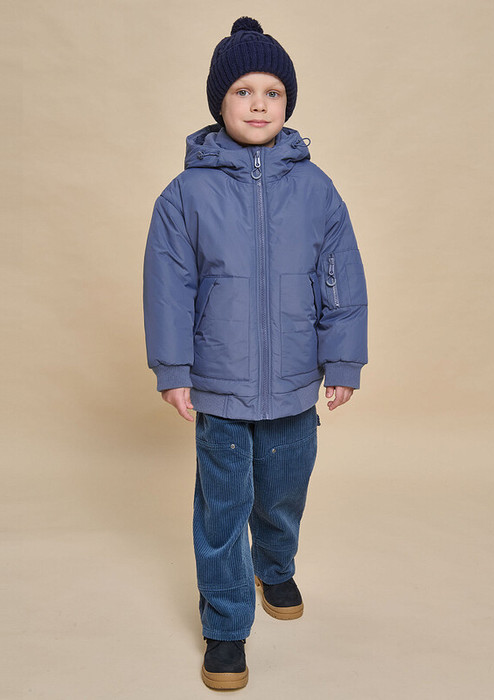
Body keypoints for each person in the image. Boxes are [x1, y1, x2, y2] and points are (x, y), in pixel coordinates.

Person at [143, 16, 368, 691]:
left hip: (295, 382)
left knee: (283, 492)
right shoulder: (185, 195)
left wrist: (342, 361)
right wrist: (174, 370)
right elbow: (168, 289)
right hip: (218, 385)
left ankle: (274, 566)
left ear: (288, 103)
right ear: (220, 102)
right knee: (222, 509)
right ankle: (225, 626)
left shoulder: (317, 188)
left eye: (273, 91)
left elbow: (341, 278)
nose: (260, 104)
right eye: (243, 90)